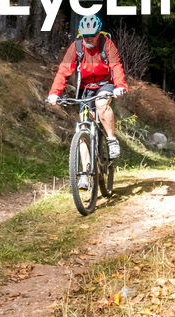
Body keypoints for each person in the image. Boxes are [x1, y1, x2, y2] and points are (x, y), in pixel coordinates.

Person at [47, 14, 127, 189]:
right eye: (85, 36)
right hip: (85, 87)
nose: (89, 39)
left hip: (105, 84)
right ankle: (85, 173)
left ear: (99, 33)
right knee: (83, 126)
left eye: (92, 35)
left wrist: (120, 85)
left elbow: (116, 65)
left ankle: (112, 140)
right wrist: (54, 93)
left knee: (101, 104)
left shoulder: (107, 44)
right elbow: (64, 70)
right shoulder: (76, 47)